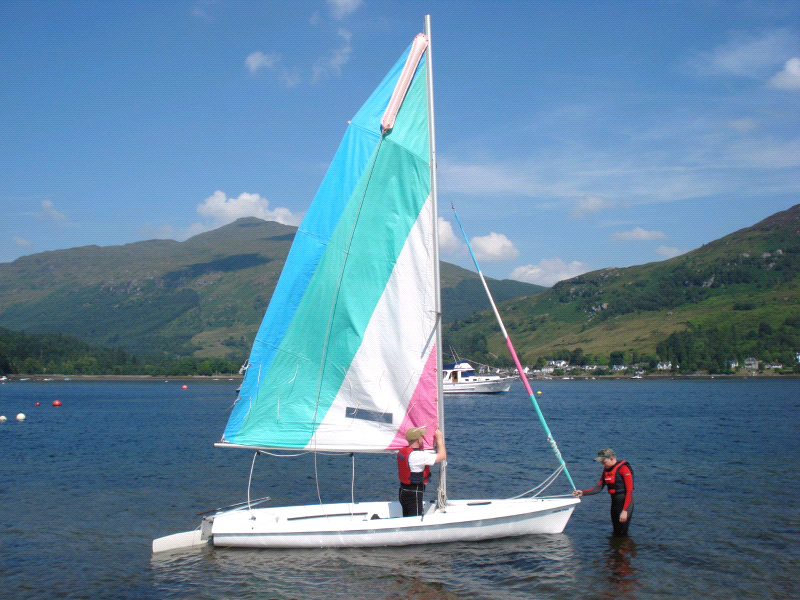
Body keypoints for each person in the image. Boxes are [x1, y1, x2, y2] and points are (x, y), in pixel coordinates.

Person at [572, 448, 634, 536]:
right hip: (615, 504)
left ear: (611, 458)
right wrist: (583, 492)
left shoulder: (624, 469)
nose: (602, 465)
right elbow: (598, 488)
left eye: (604, 462)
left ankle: (625, 549)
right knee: (616, 532)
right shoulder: (606, 470)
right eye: (601, 462)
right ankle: (616, 549)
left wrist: (625, 511)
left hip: (625, 504)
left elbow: (629, 491)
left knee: (622, 533)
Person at [397, 426, 446, 517]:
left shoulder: (403, 451)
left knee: (407, 517)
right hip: (413, 494)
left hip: (403, 491)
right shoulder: (417, 456)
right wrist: (439, 439)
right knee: (415, 520)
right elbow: (442, 456)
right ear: (418, 439)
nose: (422, 439)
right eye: (421, 437)